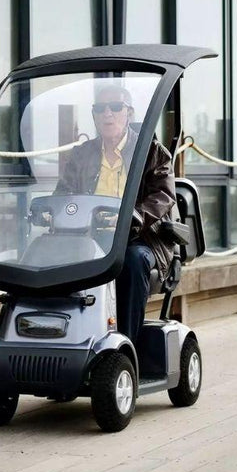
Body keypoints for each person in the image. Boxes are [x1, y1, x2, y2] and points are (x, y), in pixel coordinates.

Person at [56, 84, 177, 344]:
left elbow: (163, 197)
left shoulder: (153, 152)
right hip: (87, 237)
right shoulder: (82, 153)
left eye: (115, 107)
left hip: (138, 237)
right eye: (100, 108)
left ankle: (125, 345)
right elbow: (63, 193)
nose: (107, 114)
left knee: (133, 262)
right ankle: (67, 339)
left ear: (129, 113)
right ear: (94, 115)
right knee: (55, 258)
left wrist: (134, 217)